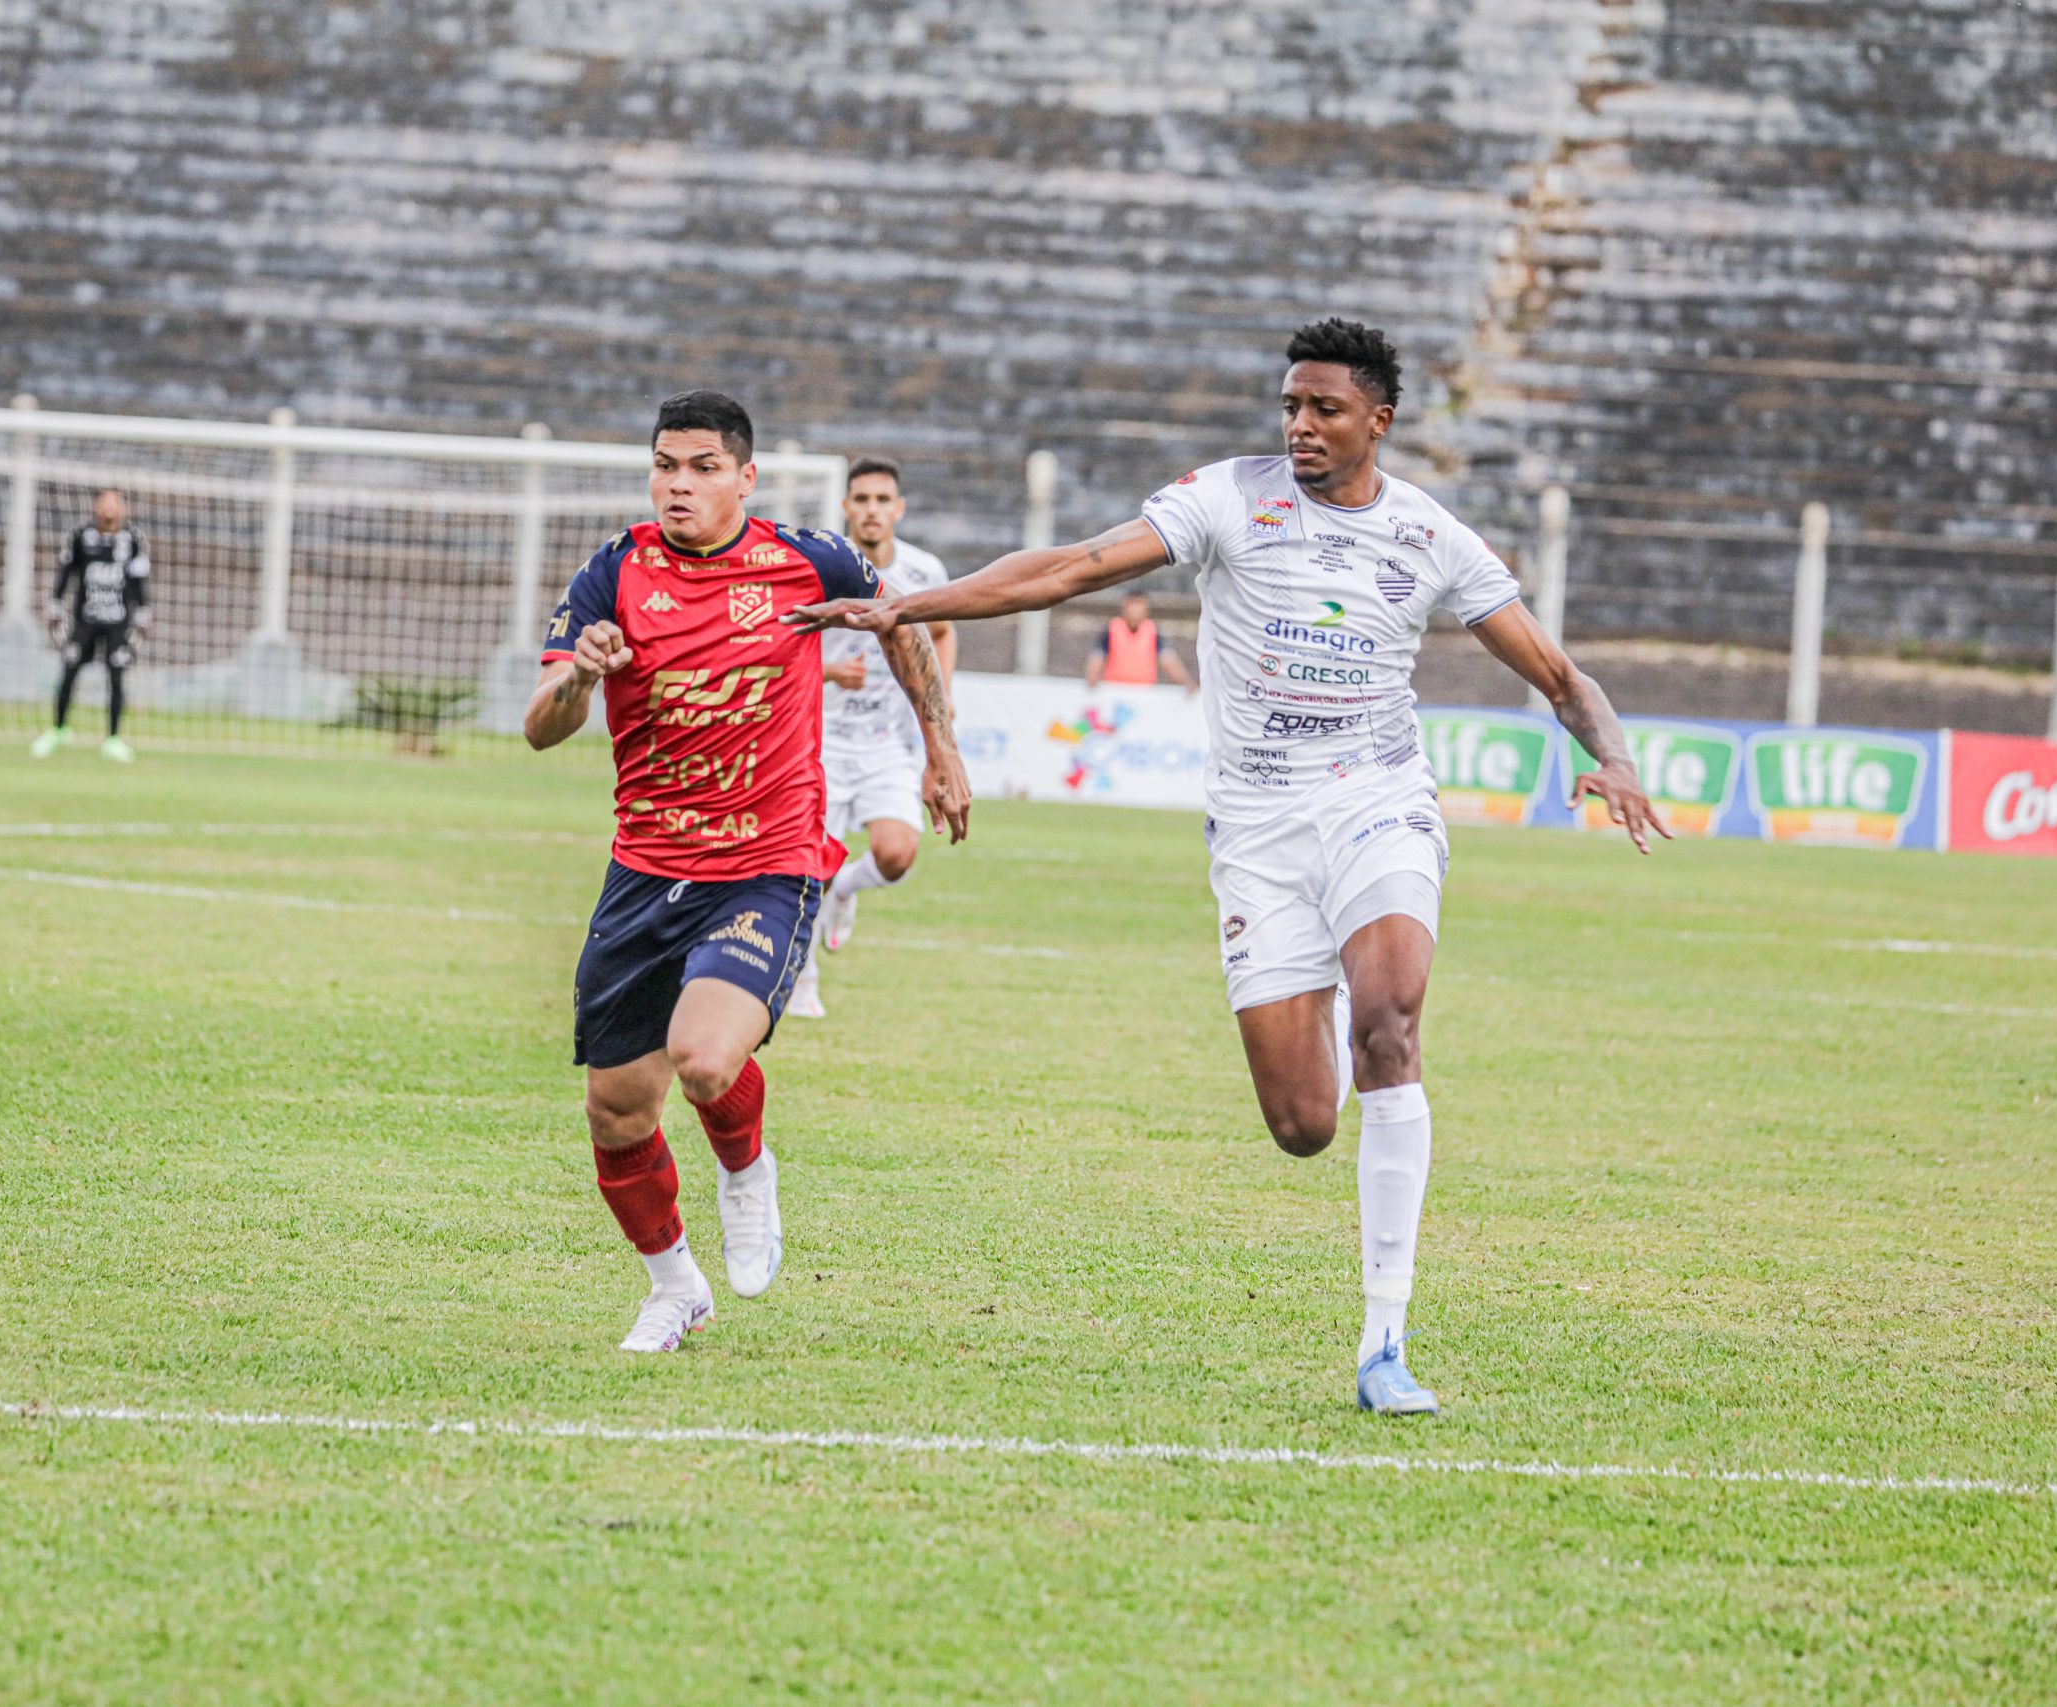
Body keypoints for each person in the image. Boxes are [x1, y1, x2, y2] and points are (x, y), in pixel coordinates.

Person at [795, 318, 1667, 1415]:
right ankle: (1344, 994)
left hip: (1377, 801)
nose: (1299, 426)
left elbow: (1553, 669)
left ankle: (1384, 1342)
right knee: (1303, 1124)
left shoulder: (1429, 537)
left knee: (1391, 1025)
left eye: (1324, 410)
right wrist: (906, 603)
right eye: (1290, 407)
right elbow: (1069, 567)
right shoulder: (1226, 498)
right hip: (1256, 832)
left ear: (1377, 422)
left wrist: (1616, 754)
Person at [525, 391, 970, 1353]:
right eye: (665, 466)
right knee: (615, 1109)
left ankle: (745, 1165)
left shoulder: (804, 559)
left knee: (706, 1056)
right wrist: (581, 676)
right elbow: (540, 726)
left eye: (701, 467)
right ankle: (674, 1284)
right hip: (644, 871)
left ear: (744, 476)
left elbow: (900, 625)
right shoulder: (614, 572)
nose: (679, 484)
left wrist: (939, 746)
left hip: (766, 864)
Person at [789, 456, 958, 1019]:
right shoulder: (823, 566)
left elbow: (941, 630)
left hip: (886, 740)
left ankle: (847, 889)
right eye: (861, 500)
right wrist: (830, 673)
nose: (871, 510)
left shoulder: (923, 570)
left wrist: (941, 702)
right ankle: (804, 981)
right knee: (808, 868)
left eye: (882, 500)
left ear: (898, 509)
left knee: (896, 853)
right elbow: (784, 647)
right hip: (823, 740)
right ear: (846, 508)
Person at [31, 488, 151, 761]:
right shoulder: (81, 535)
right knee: (69, 670)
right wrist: (56, 603)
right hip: (85, 619)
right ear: (96, 507)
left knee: (117, 676)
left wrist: (143, 612)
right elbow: (66, 572)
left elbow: (138, 580)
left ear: (122, 508)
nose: (109, 509)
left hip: (118, 621)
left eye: (114, 503)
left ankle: (113, 738)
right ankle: (59, 730)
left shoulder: (132, 539)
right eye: (104, 503)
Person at [1085, 589, 1194, 692]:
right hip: (1116, 690)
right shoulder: (1112, 629)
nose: (1135, 609)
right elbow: (1098, 656)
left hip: (1144, 693)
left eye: (1140, 604)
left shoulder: (1152, 630)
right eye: (1132, 604)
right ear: (1125, 606)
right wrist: (1092, 676)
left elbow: (1167, 659)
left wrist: (1184, 681)